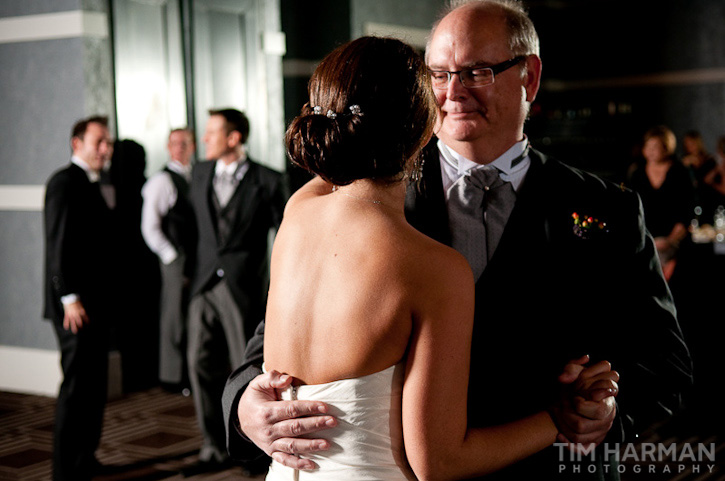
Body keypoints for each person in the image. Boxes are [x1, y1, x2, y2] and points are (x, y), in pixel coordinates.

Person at [224, 2, 692, 480]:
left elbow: (667, 366)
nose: (453, 92)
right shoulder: (356, 189)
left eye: (477, 72)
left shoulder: (607, 207)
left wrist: (606, 411)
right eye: (439, 74)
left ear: (529, 76)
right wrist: (243, 404)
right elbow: (279, 332)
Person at [183, 108, 287, 476]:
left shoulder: (268, 180)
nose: (205, 139)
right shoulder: (198, 174)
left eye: (213, 132)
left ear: (234, 138)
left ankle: (252, 450)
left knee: (243, 368)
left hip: (242, 288)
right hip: (202, 286)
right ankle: (212, 445)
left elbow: (288, 235)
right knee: (198, 364)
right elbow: (187, 228)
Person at [43, 115, 119, 481]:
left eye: (109, 142)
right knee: (75, 389)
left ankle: (84, 459)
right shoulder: (63, 182)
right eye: (99, 142)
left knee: (94, 387)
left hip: (96, 304)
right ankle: (63, 470)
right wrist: (68, 297)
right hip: (72, 306)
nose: (106, 149)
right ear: (77, 144)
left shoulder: (95, 183)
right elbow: (57, 246)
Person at [141, 128, 197, 392]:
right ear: (167, 147)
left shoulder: (196, 175)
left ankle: (188, 373)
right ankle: (172, 378)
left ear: (193, 146)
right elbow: (149, 227)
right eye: (174, 143)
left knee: (190, 318)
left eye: (184, 143)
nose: (179, 148)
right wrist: (171, 256)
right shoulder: (161, 181)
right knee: (174, 319)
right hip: (175, 259)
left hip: (196, 259)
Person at [626, 126, 696, 280]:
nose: (650, 151)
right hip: (645, 238)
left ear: (667, 148)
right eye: (648, 147)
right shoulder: (637, 173)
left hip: (675, 239)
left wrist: (671, 240)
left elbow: (687, 208)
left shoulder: (680, 171)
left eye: (655, 147)